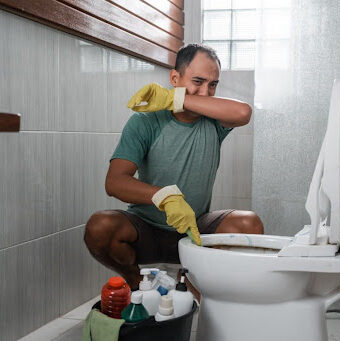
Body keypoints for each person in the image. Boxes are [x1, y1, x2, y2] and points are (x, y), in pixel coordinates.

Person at [84, 44, 264, 289]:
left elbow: (243, 112)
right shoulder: (145, 121)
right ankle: (137, 281)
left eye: (213, 85)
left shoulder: (213, 121)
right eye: (198, 81)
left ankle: (193, 280)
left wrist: (176, 98)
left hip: (195, 229)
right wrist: (163, 197)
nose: (205, 92)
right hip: (146, 229)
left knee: (249, 224)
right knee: (100, 227)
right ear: (174, 78)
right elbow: (114, 182)